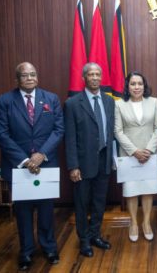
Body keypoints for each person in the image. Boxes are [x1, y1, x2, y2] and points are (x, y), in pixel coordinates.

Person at [0, 62, 63, 271]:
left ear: (37, 77)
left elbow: (59, 130)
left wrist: (41, 155)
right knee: (22, 212)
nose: (30, 78)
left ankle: (49, 248)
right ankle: (26, 252)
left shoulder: (51, 99)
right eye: (25, 75)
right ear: (17, 79)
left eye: (33, 74)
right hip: (18, 167)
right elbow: (1, 134)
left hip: (45, 164)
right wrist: (25, 160)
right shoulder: (4, 101)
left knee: (46, 210)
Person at [64, 62, 115, 257]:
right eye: (91, 74)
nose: (95, 78)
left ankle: (95, 235)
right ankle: (84, 240)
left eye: (97, 74)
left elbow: (110, 131)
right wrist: (73, 166)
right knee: (82, 203)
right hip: (83, 164)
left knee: (99, 201)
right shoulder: (72, 103)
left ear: (101, 78)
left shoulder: (109, 101)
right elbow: (69, 137)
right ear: (84, 78)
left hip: (104, 159)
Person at [114, 72, 157, 242]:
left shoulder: (154, 102)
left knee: (148, 190)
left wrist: (149, 150)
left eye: (140, 84)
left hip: (150, 155)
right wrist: (134, 151)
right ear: (127, 87)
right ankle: (134, 223)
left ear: (145, 85)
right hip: (129, 156)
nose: (137, 87)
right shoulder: (120, 104)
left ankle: (146, 223)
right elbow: (117, 131)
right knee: (132, 191)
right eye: (133, 84)